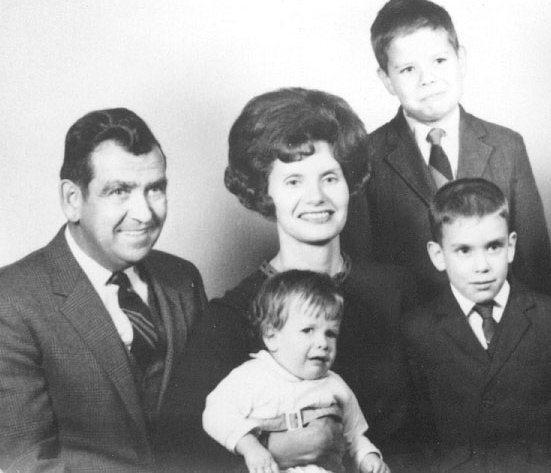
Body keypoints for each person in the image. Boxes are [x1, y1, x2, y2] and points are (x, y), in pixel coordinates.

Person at [157, 88, 417, 471]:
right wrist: (272, 448)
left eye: (330, 177)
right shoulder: (232, 316)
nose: (316, 197)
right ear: (264, 191)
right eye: (294, 181)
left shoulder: (398, 292)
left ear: (349, 183)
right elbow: (175, 449)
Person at [0, 108, 207, 472]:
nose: (144, 214)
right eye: (119, 191)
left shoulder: (183, 279)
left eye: (155, 189)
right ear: (72, 200)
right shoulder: (12, 300)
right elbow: (27, 462)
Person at [401, 178, 551, 472]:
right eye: (464, 251)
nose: (482, 266)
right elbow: (411, 435)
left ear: (510, 246)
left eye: (493, 247)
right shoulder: (417, 329)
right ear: (438, 255)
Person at [342, 0, 551, 301]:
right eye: (408, 69)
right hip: (407, 324)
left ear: (461, 59)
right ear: (386, 80)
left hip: (498, 324)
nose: (427, 79)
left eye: (439, 61)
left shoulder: (508, 146)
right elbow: (363, 271)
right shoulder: (367, 156)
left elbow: (535, 265)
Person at [203, 270, 390, 473]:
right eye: (308, 330)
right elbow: (215, 415)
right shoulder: (252, 377)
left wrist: (368, 458)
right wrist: (251, 448)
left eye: (330, 333)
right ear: (272, 336)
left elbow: (354, 436)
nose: (323, 343)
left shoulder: (335, 385)